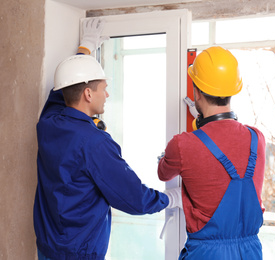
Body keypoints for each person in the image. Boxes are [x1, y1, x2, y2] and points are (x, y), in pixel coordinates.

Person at [33, 18, 181, 260]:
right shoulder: (95, 143)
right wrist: (169, 199)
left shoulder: (48, 123)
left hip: (47, 248)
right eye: (103, 87)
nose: (107, 94)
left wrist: (85, 49)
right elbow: (133, 198)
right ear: (88, 93)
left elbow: (62, 92)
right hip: (79, 254)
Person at [158, 46, 266, 259]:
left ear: (196, 92)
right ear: (233, 91)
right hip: (251, 251)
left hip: (207, 253)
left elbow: (163, 173)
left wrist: (196, 131)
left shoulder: (182, 144)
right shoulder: (257, 138)